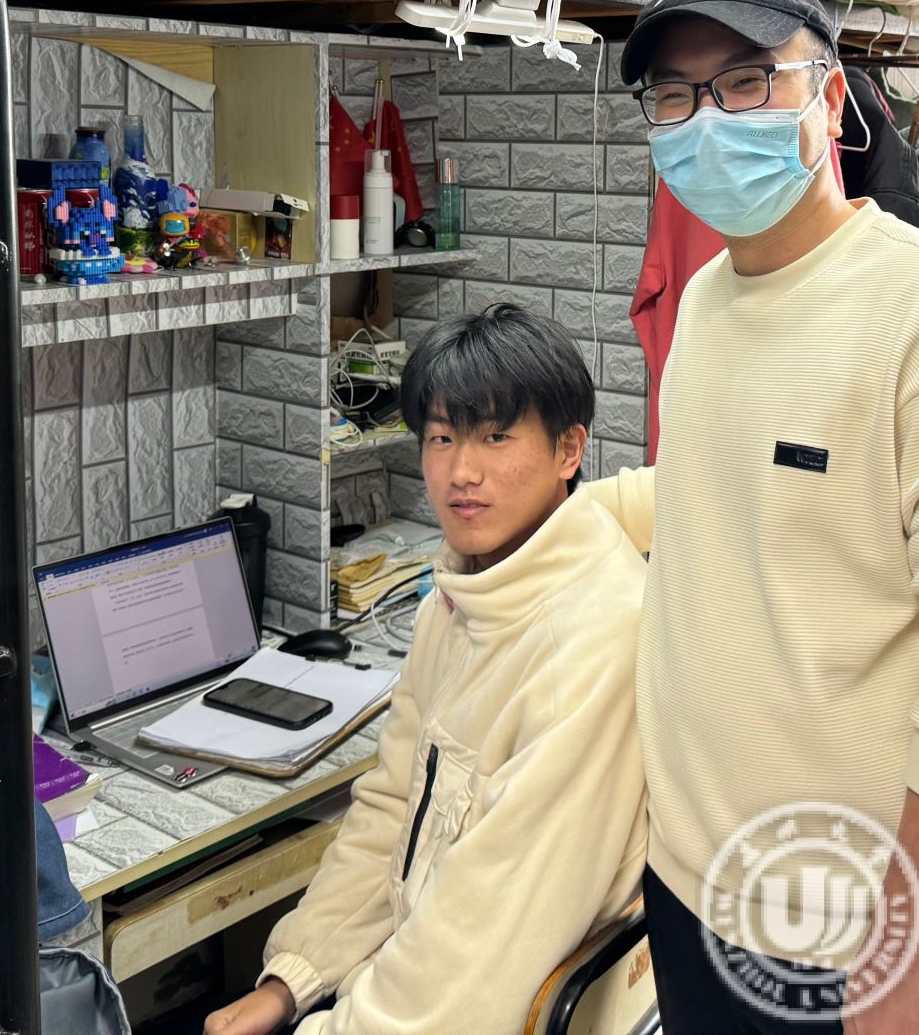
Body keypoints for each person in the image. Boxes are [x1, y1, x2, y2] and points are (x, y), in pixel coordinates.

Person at [585, 0, 919, 1035]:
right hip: (698, 887)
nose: (706, 120)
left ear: (827, 98)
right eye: (673, 96)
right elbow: (721, 496)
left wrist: (909, 936)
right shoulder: (710, 298)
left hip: (863, 934)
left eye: (745, 81)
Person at [203, 304, 648, 1035]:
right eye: (441, 437)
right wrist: (292, 977)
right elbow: (392, 806)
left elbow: (477, 962)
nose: (461, 472)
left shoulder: (594, 643)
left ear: (569, 450)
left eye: (496, 436)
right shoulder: (459, 591)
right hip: (411, 981)